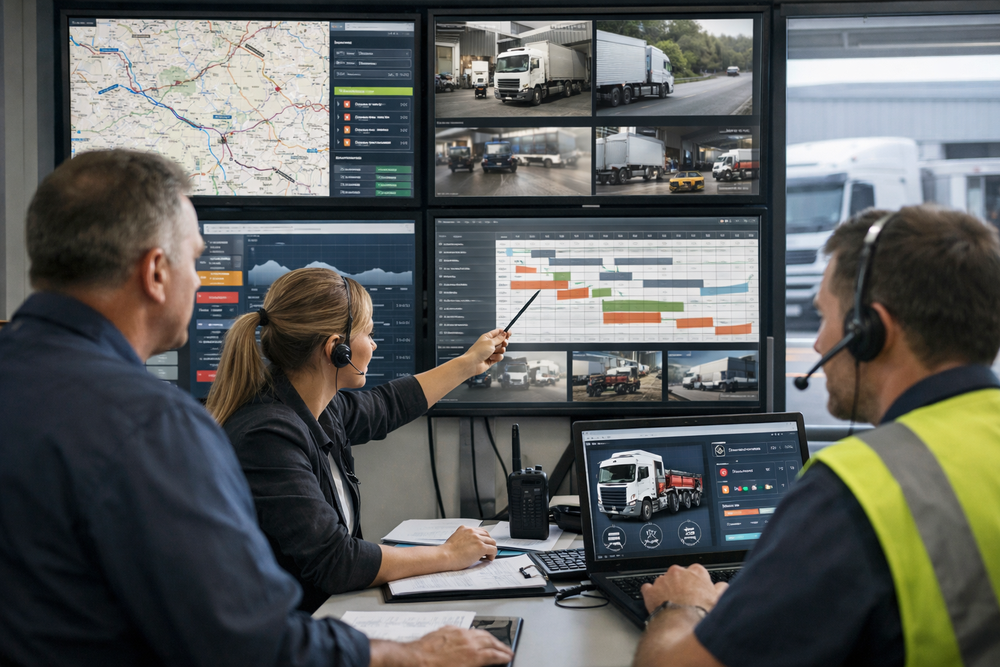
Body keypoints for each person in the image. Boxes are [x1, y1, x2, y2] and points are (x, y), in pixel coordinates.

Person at [0, 149, 512, 667]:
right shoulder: (154, 426)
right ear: (156, 272)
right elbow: (245, 639)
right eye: (195, 260)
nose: (199, 281)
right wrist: (415, 654)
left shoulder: (31, 383)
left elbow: (383, 405)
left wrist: (468, 363)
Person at [633, 205, 1000, 667]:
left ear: (868, 332)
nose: (820, 344)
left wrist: (683, 606)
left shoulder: (856, 491)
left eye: (825, 317)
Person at [205, 267, 509, 611]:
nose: (374, 343)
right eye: (369, 332)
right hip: (288, 635)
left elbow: (387, 405)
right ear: (337, 349)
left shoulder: (319, 409)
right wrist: (447, 555)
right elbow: (336, 561)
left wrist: (469, 363)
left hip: (324, 615)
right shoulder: (269, 436)